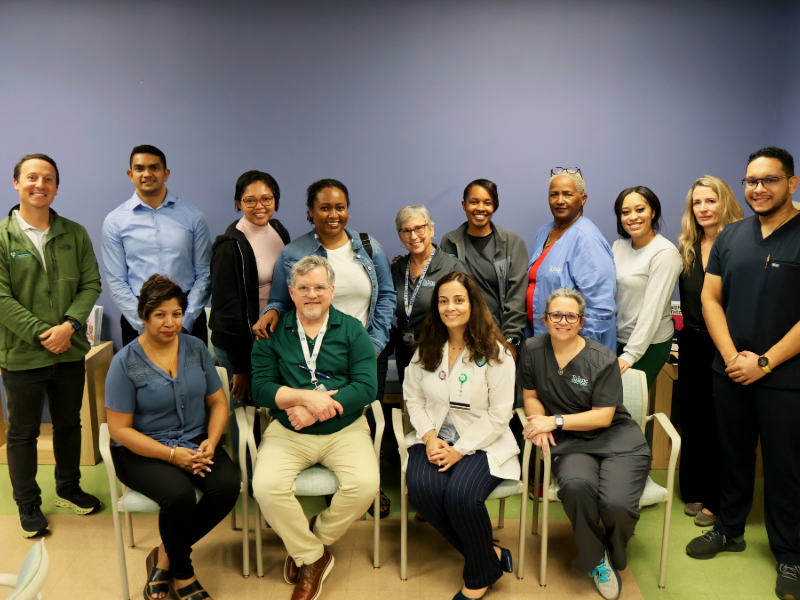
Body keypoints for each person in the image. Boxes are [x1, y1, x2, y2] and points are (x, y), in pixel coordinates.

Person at [686, 147, 800, 600]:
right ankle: (729, 530)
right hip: (730, 371)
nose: (758, 189)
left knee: (784, 467)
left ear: (791, 183)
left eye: (769, 180)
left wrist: (765, 361)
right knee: (731, 456)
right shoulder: (732, 236)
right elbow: (711, 299)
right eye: (751, 181)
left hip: (784, 376)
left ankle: (790, 552)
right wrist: (734, 356)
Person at [253, 178, 394, 515]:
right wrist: (269, 313)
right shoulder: (295, 252)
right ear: (310, 212)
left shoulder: (368, 246)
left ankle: (360, 489)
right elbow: (281, 300)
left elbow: (386, 295)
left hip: (362, 349)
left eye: (340, 207)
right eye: (325, 207)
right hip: (312, 349)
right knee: (312, 411)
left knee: (356, 420)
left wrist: (372, 343)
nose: (334, 214)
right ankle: (299, 489)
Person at [251, 256, 380, 600]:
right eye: (304, 288)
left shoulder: (352, 329)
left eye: (320, 287)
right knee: (265, 487)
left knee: (366, 485)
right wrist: (306, 399)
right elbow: (260, 388)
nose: (312, 295)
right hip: (289, 432)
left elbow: (368, 387)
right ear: (291, 293)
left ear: (332, 291)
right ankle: (313, 556)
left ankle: (311, 540)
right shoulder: (272, 330)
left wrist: (316, 412)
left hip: (345, 430)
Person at [105, 275, 239, 600]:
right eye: (160, 315)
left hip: (195, 441)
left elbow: (218, 402)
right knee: (178, 495)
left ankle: (164, 554)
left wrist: (211, 439)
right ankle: (182, 573)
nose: (170, 323)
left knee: (226, 486)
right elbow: (119, 430)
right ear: (144, 317)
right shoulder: (125, 363)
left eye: (176, 314)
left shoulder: (194, 348)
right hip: (140, 450)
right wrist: (169, 455)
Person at [519, 288, 651, 600]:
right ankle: (597, 559)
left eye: (571, 315)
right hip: (572, 444)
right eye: (555, 314)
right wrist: (538, 423)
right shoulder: (532, 349)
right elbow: (531, 395)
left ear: (581, 321)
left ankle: (614, 544)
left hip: (617, 439)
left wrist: (554, 421)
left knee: (616, 506)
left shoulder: (602, 358)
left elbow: (603, 417)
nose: (562, 321)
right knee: (576, 487)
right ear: (545, 318)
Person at [0, 154, 103, 538]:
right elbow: (1, 298)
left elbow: (91, 283)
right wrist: (45, 333)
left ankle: (68, 488)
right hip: (22, 354)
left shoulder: (74, 233)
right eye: (32, 177)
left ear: (56, 187)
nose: (39, 184)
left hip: (70, 351)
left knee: (68, 424)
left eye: (48, 179)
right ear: (17, 183)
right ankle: (27, 503)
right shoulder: (2, 237)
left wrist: (69, 326)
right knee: (23, 432)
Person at [403, 271, 518, 600]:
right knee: (423, 489)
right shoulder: (427, 348)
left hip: (482, 442)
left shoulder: (497, 354)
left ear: (473, 304)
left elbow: (499, 415)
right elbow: (414, 398)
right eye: (443, 301)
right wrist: (428, 437)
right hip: (434, 437)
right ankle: (489, 555)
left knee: (462, 497)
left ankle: (478, 576)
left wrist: (460, 450)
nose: (449, 307)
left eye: (458, 300)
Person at [209, 170, 290, 478]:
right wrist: (241, 368)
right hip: (239, 343)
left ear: (275, 201)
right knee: (244, 412)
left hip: (273, 337)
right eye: (250, 200)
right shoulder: (228, 245)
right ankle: (247, 478)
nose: (260, 206)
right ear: (238, 203)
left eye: (267, 199)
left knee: (272, 404)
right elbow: (227, 312)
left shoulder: (278, 229)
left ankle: (273, 471)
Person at [676, 175, 743, 528]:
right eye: (697, 203)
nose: (703, 208)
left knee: (722, 422)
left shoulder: (741, 244)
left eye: (710, 201)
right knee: (696, 418)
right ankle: (695, 489)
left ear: (724, 203)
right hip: (691, 343)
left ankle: (718, 500)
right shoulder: (687, 248)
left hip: (727, 344)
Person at [102, 145, 212, 347]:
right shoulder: (115, 221)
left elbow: (205, 274)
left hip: (187, 316)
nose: (147, 174)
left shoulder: (194, 217)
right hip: (138, 318)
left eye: (154, 167)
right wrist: (145, 325)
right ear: (130, 174)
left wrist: (184, 321)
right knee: (142, 379)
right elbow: (116, 282)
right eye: (139, 168)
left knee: (193, 378)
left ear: (165, 173)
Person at [526, 168, 617, 350]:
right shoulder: (544, 231)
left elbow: (601, 308)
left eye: (567, 194)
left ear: (583, 199)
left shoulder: (587, 239)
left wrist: (579, 351)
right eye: (554, 195)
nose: (560, 201)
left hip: (573, 350)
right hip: (542, 341)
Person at [441, 179, 528, 358]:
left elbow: (516, 297)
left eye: (487, 203)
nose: (480, 208)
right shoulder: (449, 242)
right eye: (474, 202)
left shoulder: (511, 242)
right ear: (464, 205)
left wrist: (510, 341)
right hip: (460, 337)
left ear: (494, 206)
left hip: (499, 338)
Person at [612, 186, 681, 390]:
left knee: (628, 407)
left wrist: (631, 355)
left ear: (653, 212)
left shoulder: (665, 253)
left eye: (640, 209)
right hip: (618, 339)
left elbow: (653, 310)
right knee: (605, 405)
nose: (632, 217)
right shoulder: (618, 246)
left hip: (649, 344)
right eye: (625, 212)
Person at [390, 205, 464, 385]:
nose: (413, 236)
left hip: (441, 353)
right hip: (406, 354)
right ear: (400, 236)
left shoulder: (451, 267)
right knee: (411, 407)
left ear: (431, 229)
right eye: (406, 231)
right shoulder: (396, 269)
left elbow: (465, 314)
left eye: (419, 228)